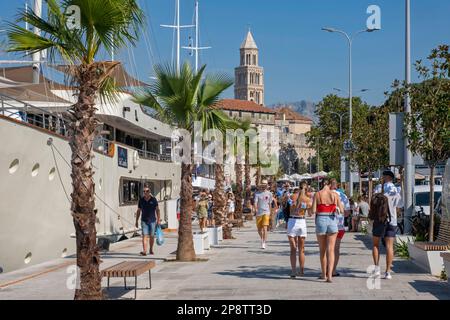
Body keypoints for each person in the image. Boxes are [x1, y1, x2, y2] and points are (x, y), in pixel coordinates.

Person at [371, 170, 401, 280]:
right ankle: (388, 272)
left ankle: (377, 269)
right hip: (392, 221)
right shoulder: (397, 190)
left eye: (383, 176)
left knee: (375, 245)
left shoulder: (379, 188)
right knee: (389, 246)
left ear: (386, 177)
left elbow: (373, 202)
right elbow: (400, 205)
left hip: (379, 220)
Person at [313, 178, 344, 283]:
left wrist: (320, 208)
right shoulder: (335, 195)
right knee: (331, 250)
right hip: (332, 219)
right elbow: (342, 210)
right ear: (330, 185)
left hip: (321, 219)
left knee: (322, 250)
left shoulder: (318, 194)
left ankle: (323, 274)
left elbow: (313, 210)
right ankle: (330, 276)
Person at [287, 181, 311, 278]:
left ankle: (293, 271)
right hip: (301, 222)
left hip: (292, 221)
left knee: (293, 249)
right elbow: (310, 213)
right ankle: (301, 271)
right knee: (301, 249)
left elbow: (287, 206)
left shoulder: (292, 196)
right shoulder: (307, 199)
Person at [330, 179, 350, 277]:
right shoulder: (343, 196)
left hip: (328, 225)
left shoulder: (325, 194)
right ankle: (333, 270)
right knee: (336, 249)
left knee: (328, 248)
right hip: (340, 225)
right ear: (337, 185)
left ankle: (326, 269)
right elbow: (347, 213)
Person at [135, 186, 160, 256]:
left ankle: (151, 249)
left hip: (152, 221)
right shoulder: (141, 200)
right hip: (144, 221)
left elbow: (157, 210)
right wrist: (136, 221)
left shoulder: (154, 200)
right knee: (144, 235)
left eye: (147, 191)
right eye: (144, 191)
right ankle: (145, 250)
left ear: (149, 192)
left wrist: (158, 220)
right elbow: (138, 211)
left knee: (152, 236)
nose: (145, 192)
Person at [253, 180, 273, 249]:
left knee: (265, 227)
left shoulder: (269, 193)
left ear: (267, 186)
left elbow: (270, 204)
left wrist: (270, 212)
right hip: (259, 213)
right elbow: (255, 202)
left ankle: (264, 242)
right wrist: (255, 209)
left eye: (265, 185)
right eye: (263, 185)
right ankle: (262, 239)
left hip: (266, 212)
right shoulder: (257, 193)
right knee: (259, 229)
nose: (264, 186)